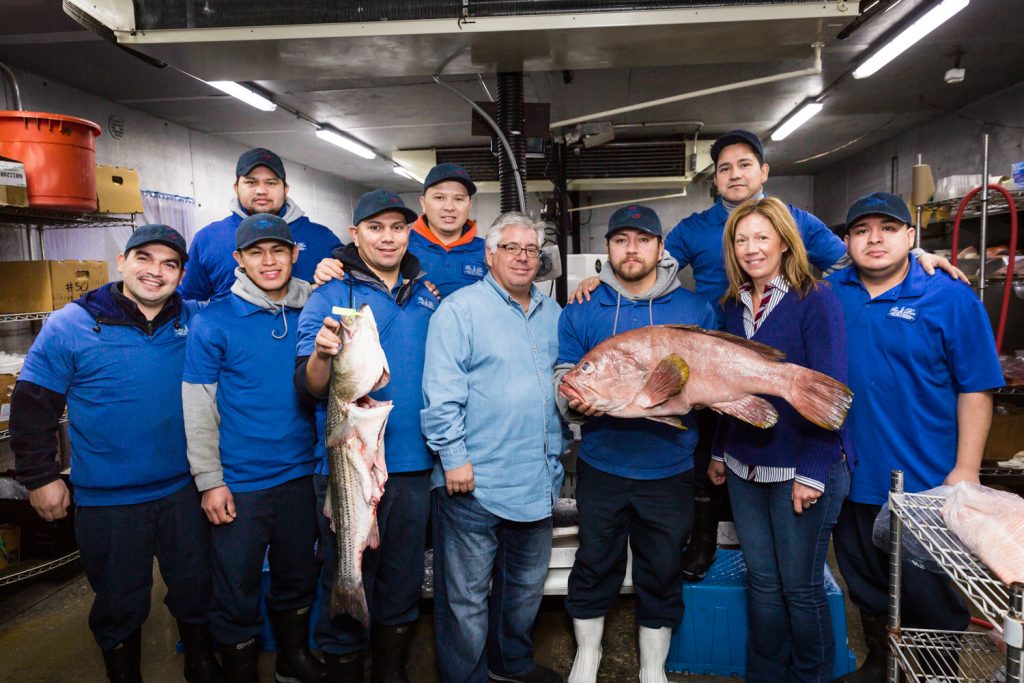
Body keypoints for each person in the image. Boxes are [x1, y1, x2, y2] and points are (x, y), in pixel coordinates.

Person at [570, 130, 965, 583]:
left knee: (794, 565)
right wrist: (602, 280)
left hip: (767, 342)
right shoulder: (695, 227)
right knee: (711, 454)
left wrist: (912, 255)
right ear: (715, 179)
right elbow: (644, 262)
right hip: (720, 333)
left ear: (764, 172)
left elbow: (852, 258)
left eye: (744, 165)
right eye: (724, 168)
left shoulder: (797, 221)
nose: (735, 175)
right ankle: (704, 533)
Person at [10, 225, 220, 683]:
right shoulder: (72, 323)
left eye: (169, 264)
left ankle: (202, 663)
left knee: (196, 585)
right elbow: (32, 404)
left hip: (184, 490)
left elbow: (254, 306)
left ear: (182, 275)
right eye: (144, 258)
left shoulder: (197, 319)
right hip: (109, 498)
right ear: (122, 262)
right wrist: (41, 477)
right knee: (119, 601)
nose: (155, 271)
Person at [828, 192, 1002, 682]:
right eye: (862, 231)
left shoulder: (950, 297)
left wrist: (965, 470)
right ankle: (881, 666)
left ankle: (934, 675)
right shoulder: (829, 294)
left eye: (888, 228)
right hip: (851, 477)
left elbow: (976, 389)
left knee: (930, 598)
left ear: (911, 237)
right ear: (847, 242)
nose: (875, 239)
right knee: (866, 583)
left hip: (925, 481)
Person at [554, 204, 717, 683]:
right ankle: (587, 656)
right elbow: (564, 372)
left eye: (643, 240)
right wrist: (573, 402)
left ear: (660, 248)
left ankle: (652, 668)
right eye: (621, 240)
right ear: (607, 248)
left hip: (671, 468)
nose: (632, 249)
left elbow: (714, 377)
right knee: (594, 562)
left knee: (662, 568)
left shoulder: (695, 309)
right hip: (602, 465)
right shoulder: (583, 307)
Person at [294, 189, 437, 681]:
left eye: (397, 227)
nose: (388, 237)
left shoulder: (426, 294)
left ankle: (391, 672)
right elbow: (309, 386)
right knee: (345, 571)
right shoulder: (330, 294)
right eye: (375, 228)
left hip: (413, 465)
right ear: (355, 235)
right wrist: (322, 355)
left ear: (409, 234)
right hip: (346, 466)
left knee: (402, 581)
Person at [707, 197, 850, 682]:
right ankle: (766, 675)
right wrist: (719, 450)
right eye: (741, 240)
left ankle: (811, 676)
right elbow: (730, 387)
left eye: (762, 237)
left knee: (800, 587)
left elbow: (832, 391)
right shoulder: (732, 305)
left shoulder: (815, 299)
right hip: (744, 466)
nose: (751, 248)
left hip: (799, 468)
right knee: (763, 582)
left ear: (785, 242)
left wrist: (813, 471)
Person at [422, 212, 564, 683]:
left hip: (536, 480)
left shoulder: (553, 313)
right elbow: (441, 394)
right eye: (511, 248)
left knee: (522, 590)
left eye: (531, 250)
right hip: (474, 481)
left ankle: (510, 666)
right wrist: (453, 457)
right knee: (465, 600)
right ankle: (466, 676)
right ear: (489, 254)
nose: (523, 257)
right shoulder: (459, 311)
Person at [182, 213, 322, 682]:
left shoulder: (315, 308)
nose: (269, 261)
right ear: (238, 259)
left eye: (278, 250)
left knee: (297, 577)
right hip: (240, 482)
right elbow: (198, 405)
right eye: (256, 253)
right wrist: (210, 481)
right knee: (236, 587)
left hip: (301, 474)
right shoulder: (214, 320)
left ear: (294, 254)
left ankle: (291, 660)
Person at [180, 147, 341, 301]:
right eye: (251, 182)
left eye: (271, 183)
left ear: (285, 189)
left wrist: (336, 272)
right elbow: (186, 302)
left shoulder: (322, 237)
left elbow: (349, 291)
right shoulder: (209, 238)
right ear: (236, 188)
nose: (261, 190)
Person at [313, 162, 483, 298]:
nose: (449, 207)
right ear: (423, 203)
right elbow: (358, 263)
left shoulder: (489, 253)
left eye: (458, 199)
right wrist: (330, 267)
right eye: (439, 197)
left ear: (469, 205)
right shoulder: (397, 246)